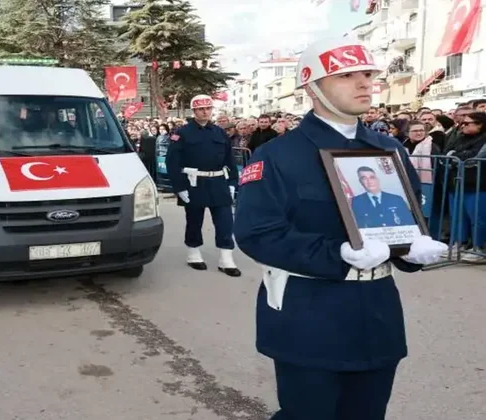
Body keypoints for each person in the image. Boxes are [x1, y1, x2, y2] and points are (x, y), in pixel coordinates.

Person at [233, 37, 448, 420]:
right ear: (312, 88)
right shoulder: (278, 155)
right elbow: (257, 233)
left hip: (378, 313)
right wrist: (337, 254)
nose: (365, 83)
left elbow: (405, 217)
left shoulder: (389, 150)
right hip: (310, 315)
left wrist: (412, 247)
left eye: (367, 74)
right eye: (347, 75)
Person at [165, 94, 241, 277]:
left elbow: (229, 159)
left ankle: (226, 258)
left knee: (225, 220)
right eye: (201, 109)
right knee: (194, 220)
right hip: (194, 181)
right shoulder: (182, 133)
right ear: (194, 111)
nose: (205, 112)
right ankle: (193, 253)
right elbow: (172, 161)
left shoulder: (219, 132)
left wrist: (232, 182)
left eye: (208, 108)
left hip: (218, 181)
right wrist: (179, 187)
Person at [350, 166, 415, 228]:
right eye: (364, 178)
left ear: (378, 179)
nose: (369, 181)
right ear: (360, 182)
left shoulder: (396, 199)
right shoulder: (356, 202)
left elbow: (410, 224)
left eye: (372, 177)